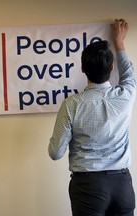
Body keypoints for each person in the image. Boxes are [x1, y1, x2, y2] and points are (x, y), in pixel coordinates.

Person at [48, 19, 136, 216]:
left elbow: (55, 153)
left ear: (82, 69)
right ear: (112, 68)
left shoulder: (72, 105)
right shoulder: (126, 96)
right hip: (122, 185)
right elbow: (129, 73)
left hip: (88, 187)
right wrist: (119, 42)